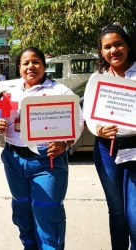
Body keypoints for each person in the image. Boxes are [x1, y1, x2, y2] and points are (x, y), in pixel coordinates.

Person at [0, 47, 84, 250]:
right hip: (14, 160)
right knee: (22, 210)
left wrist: (66, 142)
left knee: (47, 214)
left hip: (47, 161)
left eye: (35, 62)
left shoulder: (59, 92)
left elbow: (78, 121)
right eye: (25, 63)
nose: (30, 66)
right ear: (19, 67)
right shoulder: (9, 94)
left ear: (43, 66)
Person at [84, 23, 136, 250]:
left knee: (134, 215)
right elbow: (89, 113)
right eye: (107, 47)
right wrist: (98, 130)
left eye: (118, 44)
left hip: (135, 148)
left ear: (128, 46)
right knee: (116, 211)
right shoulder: (99, 78)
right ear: (101, 51)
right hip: (107, 149)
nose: (113, 50)